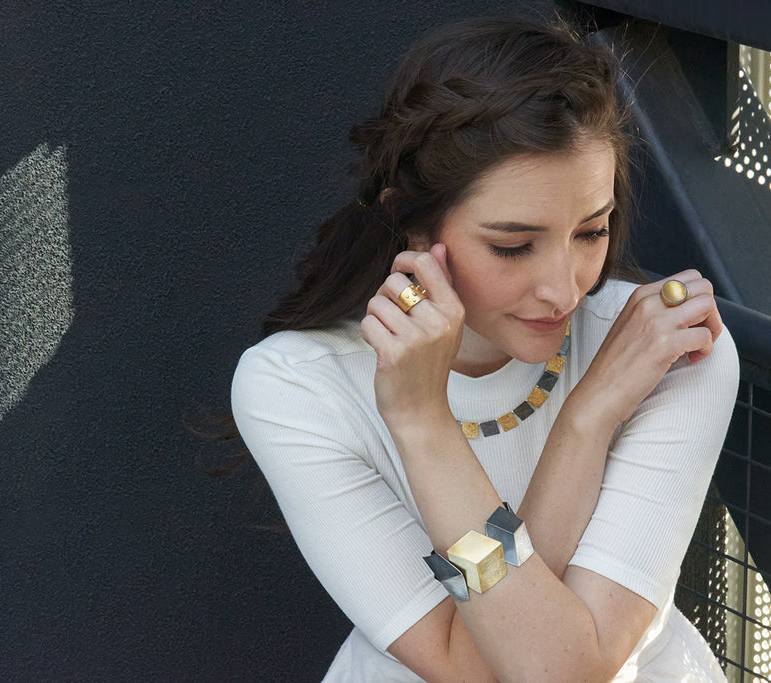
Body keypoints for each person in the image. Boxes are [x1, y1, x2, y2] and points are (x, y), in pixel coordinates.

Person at [231, 15, 739, 682]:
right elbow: (483, 667)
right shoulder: (298, 387)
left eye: (590, 232)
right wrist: (427, 422)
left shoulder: (668, 349)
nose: (563, 289)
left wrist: (589, 414)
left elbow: (565, 671)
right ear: (413, 225)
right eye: (513, 246)